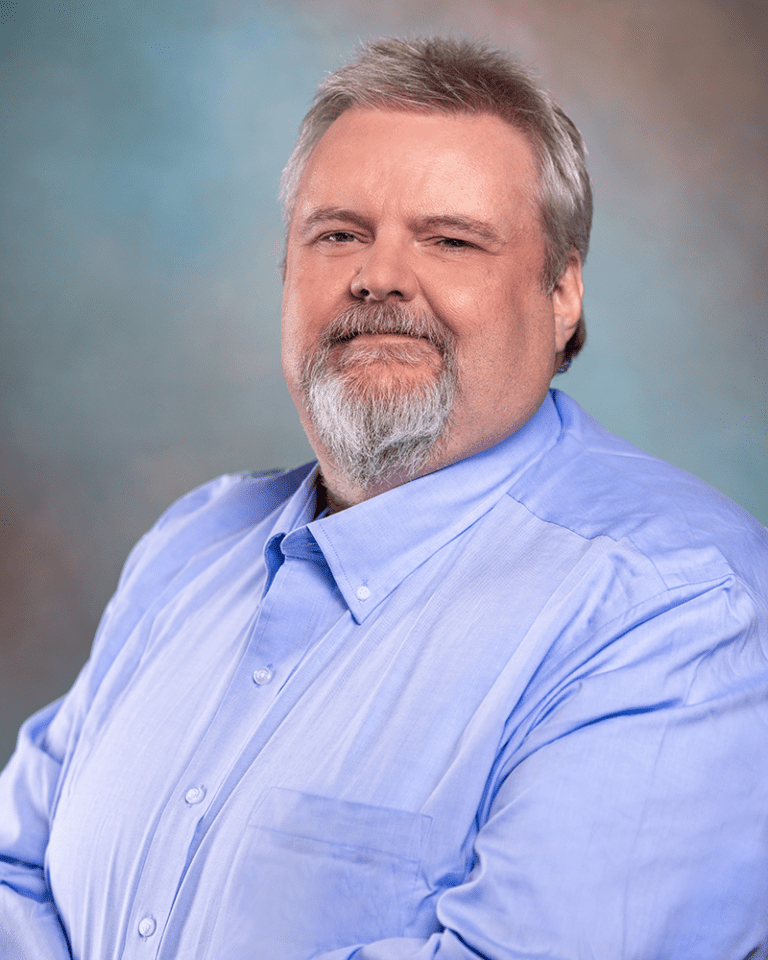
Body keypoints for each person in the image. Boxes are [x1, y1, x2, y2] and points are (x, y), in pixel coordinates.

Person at [1, 36, 767, 960]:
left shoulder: (682, 608)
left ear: (561, 293)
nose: (380, 276)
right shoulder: (192, 544)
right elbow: (17, 872)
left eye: (449, 239)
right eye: (338, 234)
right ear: (287, 274)